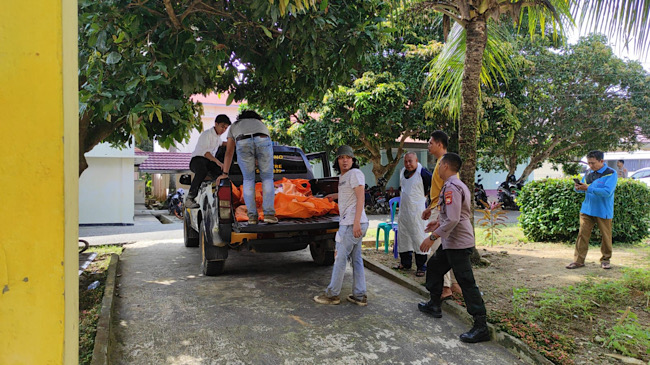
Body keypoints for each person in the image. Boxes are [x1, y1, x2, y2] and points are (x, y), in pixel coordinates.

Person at [418, 153, 490, 343]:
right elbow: (449, 214)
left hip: (458, 243)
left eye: (439, 164)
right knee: (434, 267)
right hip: (451, 242)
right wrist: (436, 223)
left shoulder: (452, 187)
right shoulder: (451, 185)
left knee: (466, 281)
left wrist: (432, 237)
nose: (438, 167)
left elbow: (454, 219)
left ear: (445, 166)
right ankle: (434, 304)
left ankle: (481, 326)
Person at [314, 145, 369, 306]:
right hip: (352, 223)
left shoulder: (355, 174)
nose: (345, 160)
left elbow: (361, 198)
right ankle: (359, 295)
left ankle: (332, 294)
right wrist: (334, 195)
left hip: (352, 224)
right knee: (357, 259)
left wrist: (356, 222)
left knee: (339, 258)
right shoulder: (344, 177)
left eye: (348, 157)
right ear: (337, 161)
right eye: (341, 157)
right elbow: (349, 193)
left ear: (353, 159)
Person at [420, 131, 460, 299]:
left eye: (430, 143)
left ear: (439, 144)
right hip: (438, 209)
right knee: (445, 250)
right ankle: (453, 284)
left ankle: (445, 288)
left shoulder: (446, 166)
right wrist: (431, 206)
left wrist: (438, 216)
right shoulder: (439, 164)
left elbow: (449, 192)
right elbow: (438, 191)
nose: (428, 146)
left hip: (443, 212)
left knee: (436, 252)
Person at [220, 110, 278, 224]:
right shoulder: (260, 124)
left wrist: (225, 174)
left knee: (248, 179)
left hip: (242, 141)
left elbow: (229, 153)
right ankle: (269, 215)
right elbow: (260, 143)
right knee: (267, 178)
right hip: (263, 139)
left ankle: (252, 217)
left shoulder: (234, 126)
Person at [566, 150, 618, 270]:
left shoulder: (611, 173)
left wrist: (587, 188)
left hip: (603, 210)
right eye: (589, 163)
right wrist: (578, 187)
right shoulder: (588, 172)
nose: (590, 165)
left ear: (601, 161)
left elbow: (607, 192)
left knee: (606, 236)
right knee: (582, 235)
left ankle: (605, 260)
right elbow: (583, 187)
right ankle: (578, 261)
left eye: (593, 163)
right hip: (587, 210)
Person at [393, 152, 432, 277]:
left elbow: (435, 185)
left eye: (410, 161)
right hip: (404, 212)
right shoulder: (403, 171)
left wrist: (429, 200)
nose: (408, 164)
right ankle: (405, 263)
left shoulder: (423, 173)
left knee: (418, 237)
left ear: (416, 160)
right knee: (404, 238)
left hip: (417, 212)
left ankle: (421, 266)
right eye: (406, 161)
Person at [185, 115, 231, 208]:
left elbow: (222, 143)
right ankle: (190, 198)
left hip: (209, 162)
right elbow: (206, 153)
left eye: (226, 128)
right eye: (222, 126)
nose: (223, 130)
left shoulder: (218, 138)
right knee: (202, 171)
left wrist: (233, 143)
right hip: (197, 160)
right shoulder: (207, 134)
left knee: (222, 173)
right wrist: (218, 162)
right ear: (216, 124)